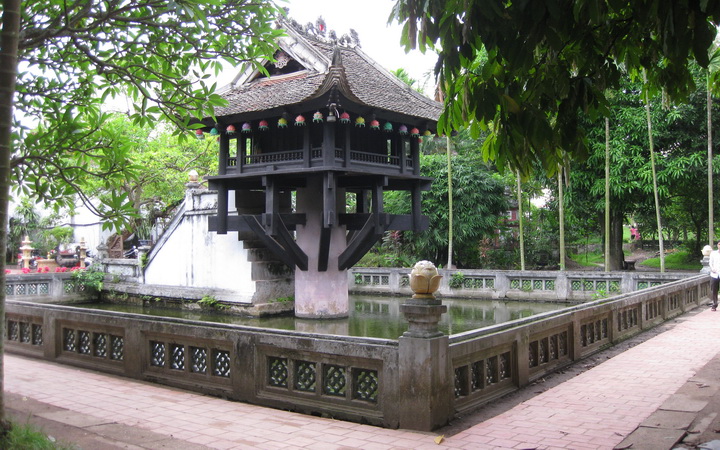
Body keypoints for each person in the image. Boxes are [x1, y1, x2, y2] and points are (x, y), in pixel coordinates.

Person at [710, 241, 720, 311]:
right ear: (717, 245)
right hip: (715, 274)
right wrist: (712, 268)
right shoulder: (713, 253)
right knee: (714, 290)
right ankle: (714, 304)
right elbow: (711, 262)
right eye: (719, 244)